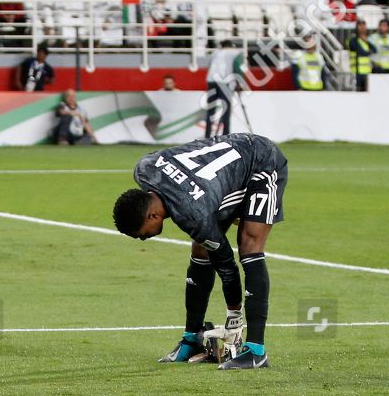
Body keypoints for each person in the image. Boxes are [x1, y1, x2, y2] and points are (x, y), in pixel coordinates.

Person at [111, 133, 289, 370]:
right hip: (223, 167)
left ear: (152, 215)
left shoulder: (194, 215)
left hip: (261, 163)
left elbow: (227, 267)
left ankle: (256, 351)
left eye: (141, 233)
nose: (143, 238)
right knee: (202, 248)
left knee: (249, 244)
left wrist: (233, 317)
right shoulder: (144, 167)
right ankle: (191, 338)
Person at [204, 39, 241, 136]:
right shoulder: (235, 53)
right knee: (226, 110)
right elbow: (237, 67)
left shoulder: (215, 53)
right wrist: (239, 83)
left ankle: (207, 136)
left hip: (211, 81)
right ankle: (226, 135)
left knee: (211, 110)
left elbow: (209, 67)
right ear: (232, 45)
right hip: (225, 82)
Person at [347, 19, 374, 91]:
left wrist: (367, 42)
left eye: (364, 25)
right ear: (356, 27)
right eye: (360, 25)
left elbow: (375, 50)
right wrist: (370, 52)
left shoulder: (366, 40)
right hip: (356, 72)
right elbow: (362, 52)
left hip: (367, 72)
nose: (362, 27)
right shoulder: (352, 40)